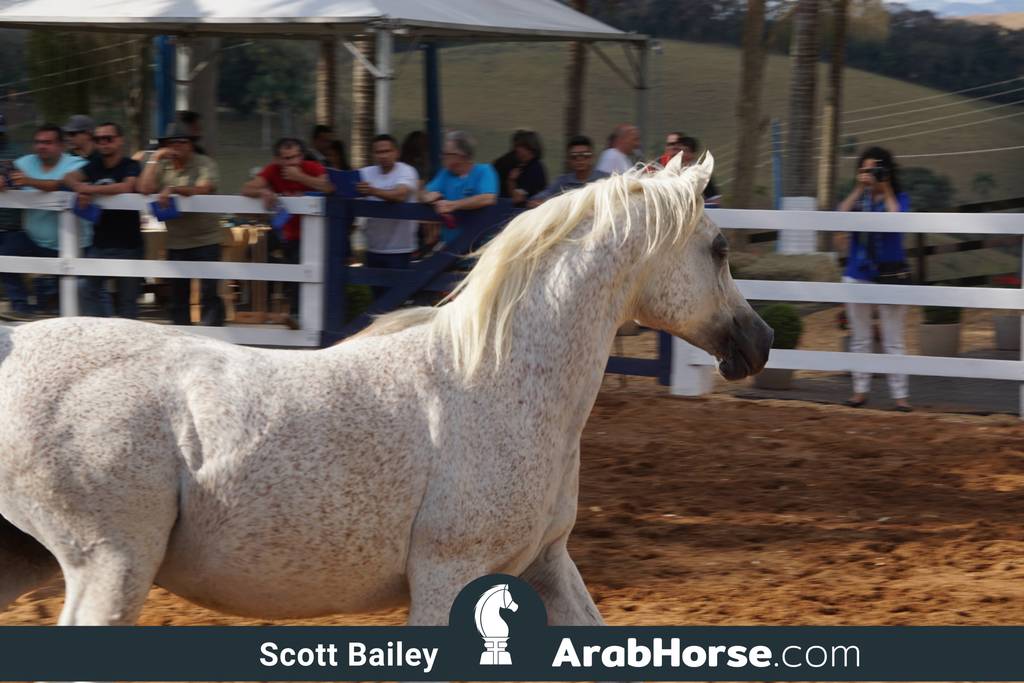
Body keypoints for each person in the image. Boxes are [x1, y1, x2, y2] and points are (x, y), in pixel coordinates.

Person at [835, 146, 912, 412]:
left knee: (894, 340)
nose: (870, 174)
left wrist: (886, 188)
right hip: (858, 273)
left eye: (875, 170)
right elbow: (840, 216)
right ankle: (860, 391)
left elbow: (897, 221)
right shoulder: (858, 200)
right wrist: (859, 188)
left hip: (891, 274)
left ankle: (900, 397)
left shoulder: (899, 197)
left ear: (887, 172)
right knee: (860, 337)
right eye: (865, 170)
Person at [138, 122, 224, 327]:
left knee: (209, 294)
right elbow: (144, 188)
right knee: (178, 296)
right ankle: (181, 336)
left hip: (206, 239)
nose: (176, 147)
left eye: (182, 142)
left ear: (191, 145)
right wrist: (154, 159)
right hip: (176, 242)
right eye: (171, 143)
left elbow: (205, 187)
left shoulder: (204, 163)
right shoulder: (162, 165)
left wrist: (173, 189)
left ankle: (213, 338)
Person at [0, 123, 89, 320]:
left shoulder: (76, 164)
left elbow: (63, 185)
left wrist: (30, 181)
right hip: (34, 239)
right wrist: (4, 180)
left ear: (60, 146)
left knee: (70, 296)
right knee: (5, 255)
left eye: (48, 142)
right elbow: (8, 177)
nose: (41, 146)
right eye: (38, 142)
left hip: (72, 243)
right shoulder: (25, 162)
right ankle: (21, 307)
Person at [64, 122, 143, 319]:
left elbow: (127, 187)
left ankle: (129, 344)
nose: (103, 143)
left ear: (120, 140)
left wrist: (88, 190)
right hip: (100, 243)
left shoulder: (130, 165)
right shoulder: (94, 165)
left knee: (127, 301)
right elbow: (68, 177)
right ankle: (99, 335)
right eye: (98, 139)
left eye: (108, 138)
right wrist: (79, 187)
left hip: (128, 245)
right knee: (85, 287)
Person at [356, 134, 420, 297]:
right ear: (373, 154)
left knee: (397, 298)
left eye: (387, 151)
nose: (383, 155)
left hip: (400, 249)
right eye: (378, 152)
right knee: (377, 298)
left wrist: (371, 191)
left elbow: (400, 195)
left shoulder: (407, 171)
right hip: (373, 247)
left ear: (396, 153)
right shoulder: (365, 173)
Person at [421, 131, 498, 247]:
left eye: (446, 154)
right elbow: (424, 192)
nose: (442, 157)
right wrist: (426, 197)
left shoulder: (484, 171)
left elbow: (488, 198)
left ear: (460, 156)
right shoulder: (445, 174)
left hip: (479, 248)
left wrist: (453, 205)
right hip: (450, 249)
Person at [527, 135, 608, 207]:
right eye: (574, 156)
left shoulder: (605, 180)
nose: (580, 159)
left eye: (585, 155)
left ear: (592, 157)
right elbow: (540, 197)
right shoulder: (562, 181)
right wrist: (540, 202)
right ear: (568, 160)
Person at [493, 130, 548, 206]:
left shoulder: (535, 169)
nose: (517, 150)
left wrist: (511, 181)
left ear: (530, 148)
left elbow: (517, 199)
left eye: (520, 146)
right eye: (516, 146)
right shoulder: (512, 160)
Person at [677, 136, 722, 207]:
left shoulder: (701, 172)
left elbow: (715, 200)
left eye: (685, 150)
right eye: (679, 150)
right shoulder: (675, 170)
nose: (682, 154)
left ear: (693, 153)